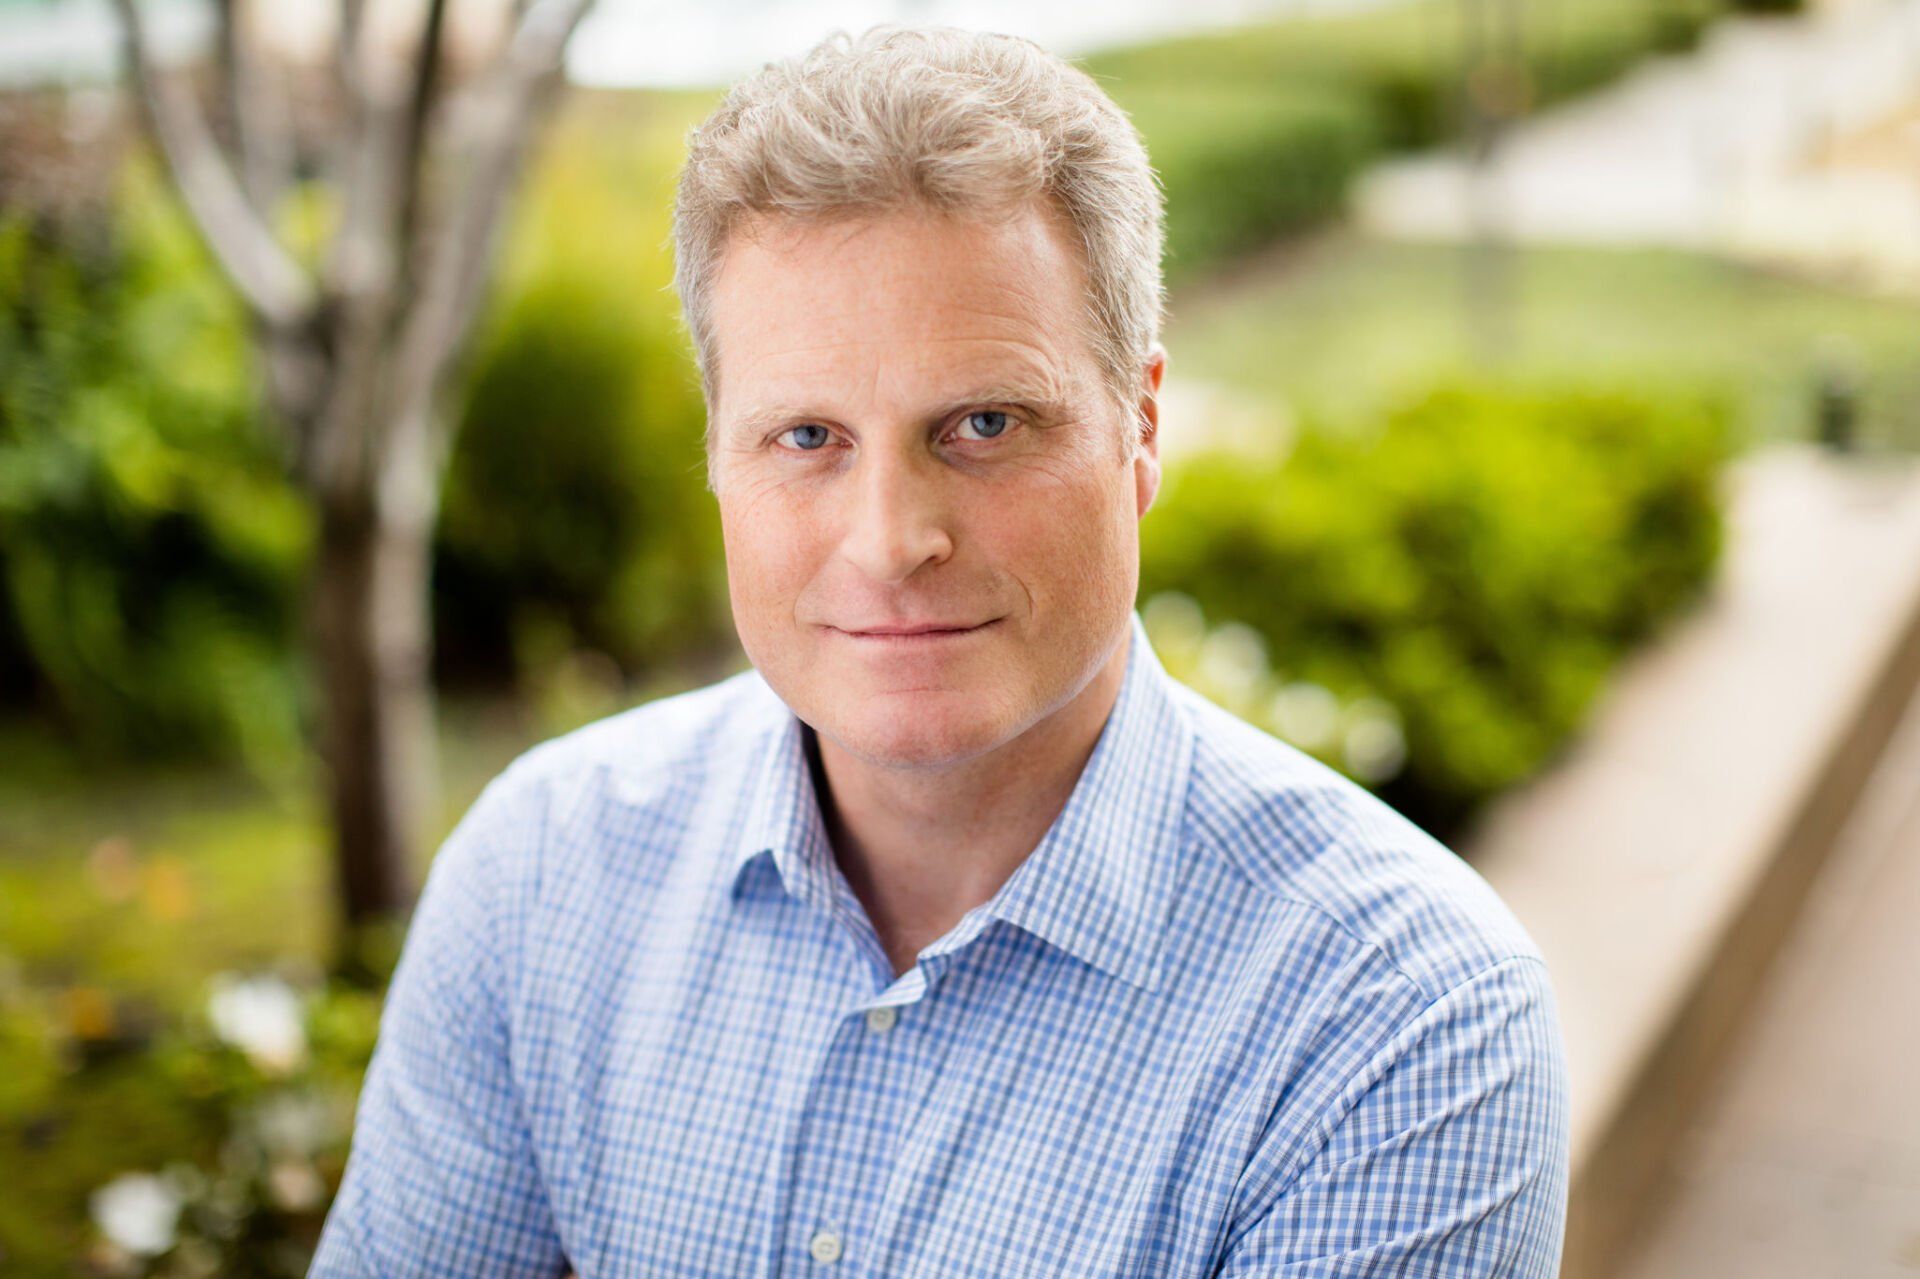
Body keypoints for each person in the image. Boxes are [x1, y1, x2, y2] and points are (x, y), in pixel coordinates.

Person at [309, 25, 1569, 1278]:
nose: (890, 539)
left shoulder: (1402, 1020)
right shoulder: (543, 873)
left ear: (1139, 427)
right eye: (807, 437)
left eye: (981, 422)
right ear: (717, 456)